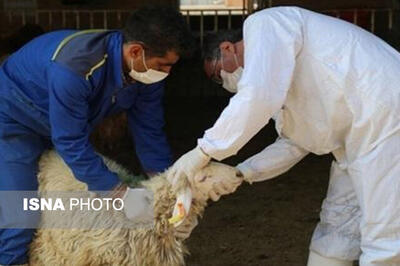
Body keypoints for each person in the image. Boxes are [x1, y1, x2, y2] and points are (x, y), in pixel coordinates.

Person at [168, 6, 400, 266]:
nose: (224, 83)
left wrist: (203, 152)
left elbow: (256, 97)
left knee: (385, 235)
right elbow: (293, 144)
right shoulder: (279, 84)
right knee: (337, 225)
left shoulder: (265, 24)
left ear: (227, 49)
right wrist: (240, 174)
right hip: (358, 136)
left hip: (387, 116)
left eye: (216, 75)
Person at [0, 7, 194, 265]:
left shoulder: (146, 73)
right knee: (21, 210)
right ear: (136, 51)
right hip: (15, 119)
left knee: (62, 212)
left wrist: (164, 192)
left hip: (60, 122)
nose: (166, 72)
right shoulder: (76, 68)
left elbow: (149, 131)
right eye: (163, 65)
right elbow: (70, 141)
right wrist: (118, 193)